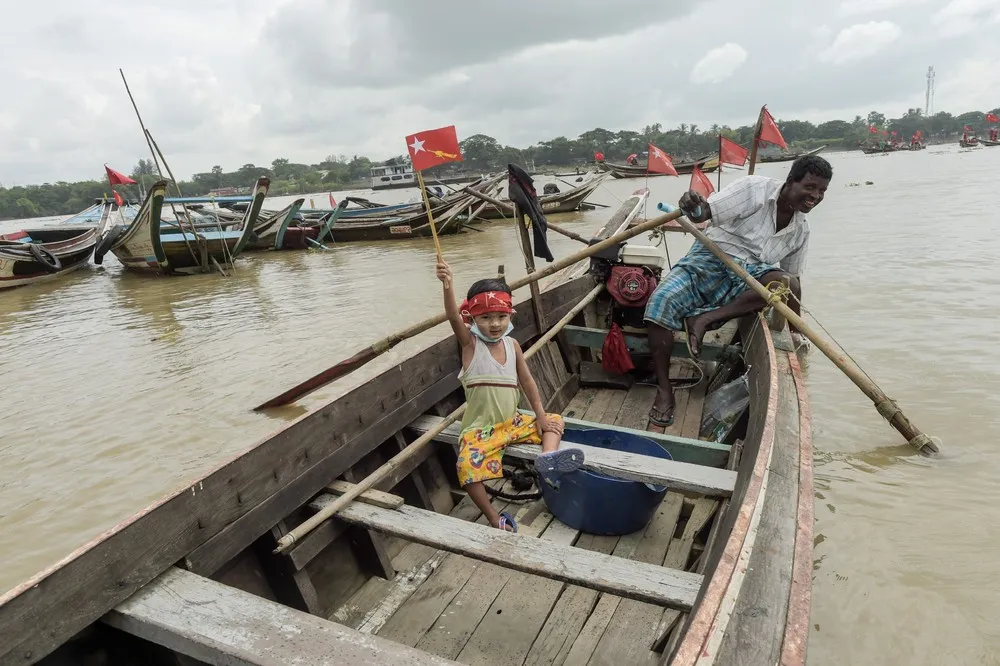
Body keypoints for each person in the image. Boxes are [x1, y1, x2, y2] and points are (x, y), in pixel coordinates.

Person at [642, 155, 833, 432]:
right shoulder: (755, 190)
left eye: (822, 191)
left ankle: (705, 319)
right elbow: (704, 213)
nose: (815, 196)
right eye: (811, 187)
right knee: (661, 301)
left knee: (782, 283)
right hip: (711, 258)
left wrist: (796, 330)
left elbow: (794, 281)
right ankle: (664, 389)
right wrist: (694, 208)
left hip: (747, 280)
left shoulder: (800, 230)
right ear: (791, 181)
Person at [436, 260, 585, 532]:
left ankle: (548, 459)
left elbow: (527, 381)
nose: (494, 324)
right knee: (467, 469)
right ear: (472, 319)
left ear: (510, 315)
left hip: (513, 422)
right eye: (486, 318)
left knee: (554, 421)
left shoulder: (512, 344)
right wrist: (447, 284)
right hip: (481, 430)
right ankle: (494, 517)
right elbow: (452, 316)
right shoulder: (471, 345)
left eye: (501, 317)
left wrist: (540, 416)